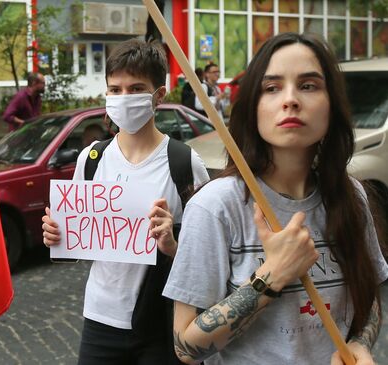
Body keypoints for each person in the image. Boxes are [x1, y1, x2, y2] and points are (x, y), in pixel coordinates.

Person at [164, 32, 388, 365]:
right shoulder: (215, 206)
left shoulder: (350, 196)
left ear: (332, 105)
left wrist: (359, 344)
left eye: (309, 85)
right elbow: (185, 347)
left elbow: (369, 295)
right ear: (253, 107)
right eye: (271, 88)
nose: (291, 99)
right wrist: (273, 275)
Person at [42, 39, 210, 364]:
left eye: (135, 89)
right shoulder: (90, 160)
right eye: (115, 89)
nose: (123, 98)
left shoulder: (184, 163)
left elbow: (208, 253)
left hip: (162, 321)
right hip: (100, 318)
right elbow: (77, 244)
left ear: (158, 95)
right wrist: (58, 235)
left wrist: (173, 244)